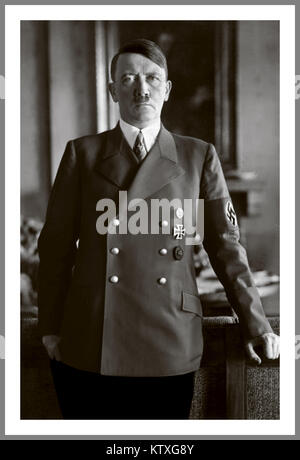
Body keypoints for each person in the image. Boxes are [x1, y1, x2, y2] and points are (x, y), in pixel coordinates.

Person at [37, 38, 280, 420]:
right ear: (113, 88)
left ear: (166, 90)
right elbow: (54, 249)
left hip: (169, 338)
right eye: (129, 77)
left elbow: (226, 248)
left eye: (152, 77)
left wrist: (256, 324)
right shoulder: (81, 154)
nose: (142, 87)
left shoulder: (198, 155)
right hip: (92, 338)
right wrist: (49, 326)